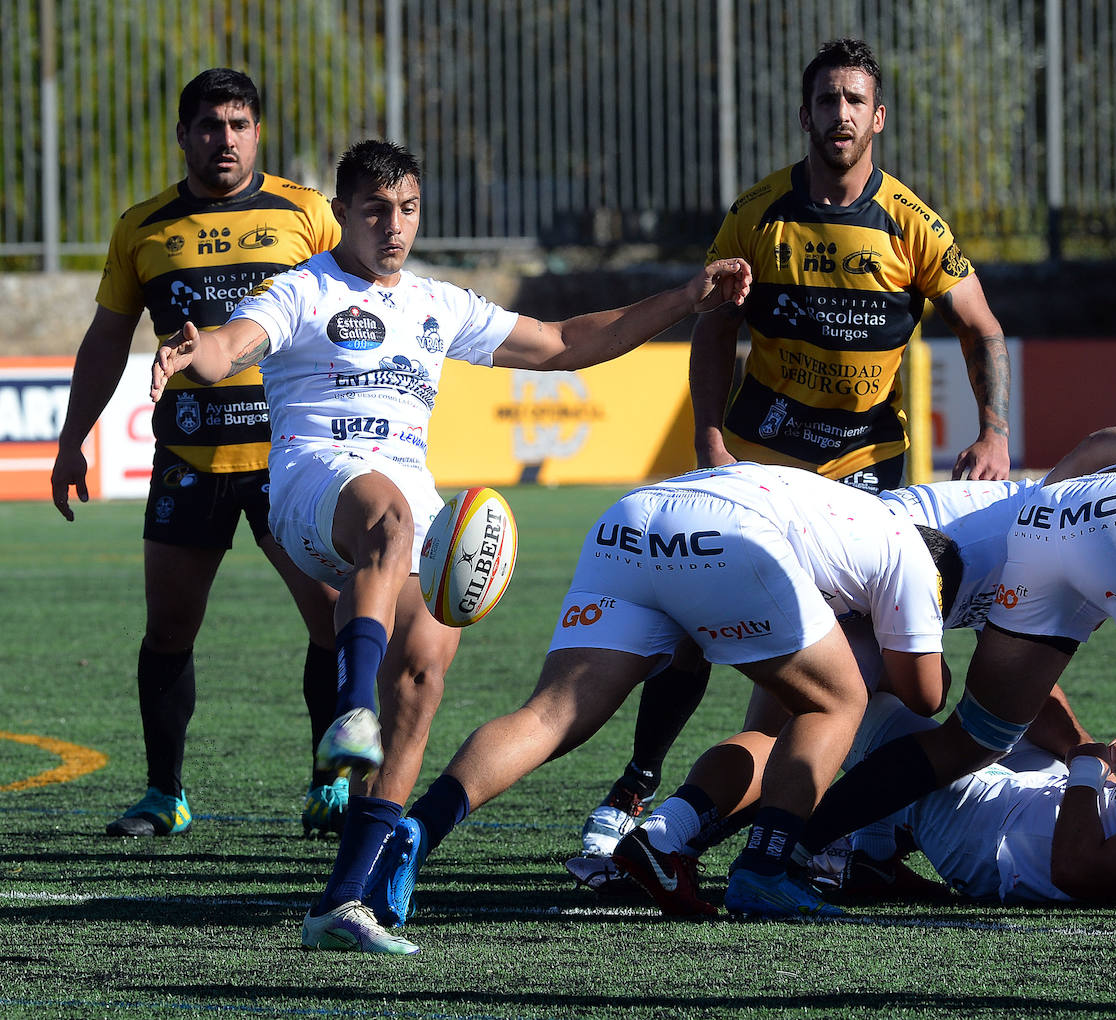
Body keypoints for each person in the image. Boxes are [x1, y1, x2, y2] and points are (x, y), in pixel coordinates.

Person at [148, 139, 753, 953]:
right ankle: (349, 710)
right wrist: (200, 352)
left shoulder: (438, 303)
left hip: (404, 503)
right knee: (392, 521)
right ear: (341, 214)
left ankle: (346, 898)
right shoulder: (302, 288)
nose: (393, 227)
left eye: (407, 210)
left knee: (428, 664)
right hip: (313, 485)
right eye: (374, 211)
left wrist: (688, 298)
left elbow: (566, 342)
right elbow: (234, 344)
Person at [604, 429, 1116, 915]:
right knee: (835, 717)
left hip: (951, 548)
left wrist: (1085, 755)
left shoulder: (1065, 509)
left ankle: (765, 847)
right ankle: (677, 842)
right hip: (892, 565)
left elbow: (1083, 469)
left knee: (929, 732)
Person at [579, 36, 1015, 859]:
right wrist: (709, 432)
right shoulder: (757, 215)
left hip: (863, 485)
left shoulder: (914, 225)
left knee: (832, 673)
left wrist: (993, 433)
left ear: (877, 118)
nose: (840, 115)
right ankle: (641, 782)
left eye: (855, 101)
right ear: (805, 114)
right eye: (827, 101)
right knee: (684, 627)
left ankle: (772, 823)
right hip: (757, 467)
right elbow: (715, 329)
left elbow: (981, 325)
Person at [306, 460, 955, 952]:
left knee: (550, 714)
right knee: (837, 704)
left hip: (632, 519)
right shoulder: (912, 557)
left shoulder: (848, 511)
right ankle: (765, 867)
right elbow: (925, 692)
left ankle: (419, 830)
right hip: (724, 538)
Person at [49, 68, 347, 838]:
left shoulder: (307, 214)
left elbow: (365, 302)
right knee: (169, 628)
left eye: (240, 124)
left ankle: (332, 781)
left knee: (336, 620)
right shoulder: (142, 227)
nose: (226, 139)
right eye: (210, 125)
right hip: (190, 459)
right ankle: (164, 794)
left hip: (292, 459)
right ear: (183, 135)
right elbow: (108, 337)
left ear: (259, 132)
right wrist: (73, 437)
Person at [814, 696, 1116, 908]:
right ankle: (871, 855)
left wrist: (1088, 768)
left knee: (846, 699)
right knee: (1029, 694)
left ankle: (777, 840)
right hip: (1029, 806)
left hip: (991, 836)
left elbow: (1076, 867)